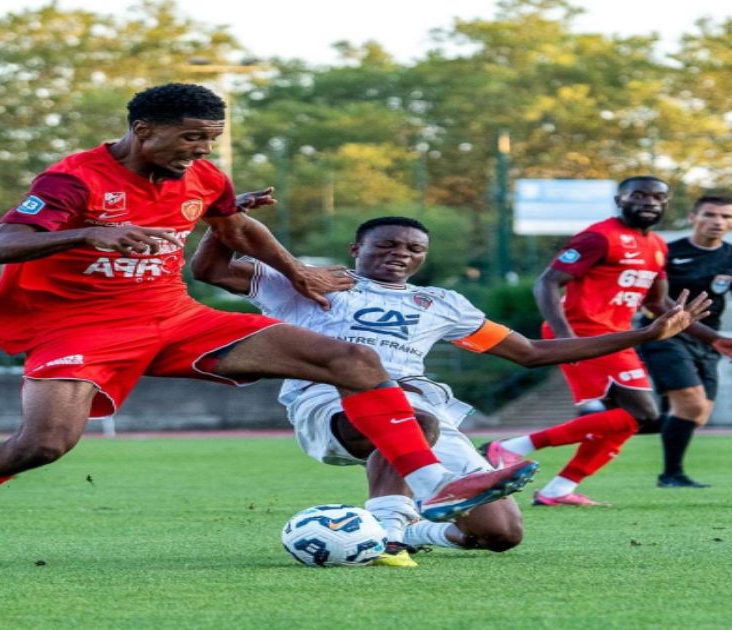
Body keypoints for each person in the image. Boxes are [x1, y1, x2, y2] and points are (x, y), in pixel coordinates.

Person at [0, 83, 537, 569]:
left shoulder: (201, 174)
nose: (198, 150)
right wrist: (93, 233)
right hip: (77, 329)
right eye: (188, 137)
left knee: (352, 360)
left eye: (209, 139)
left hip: (172, 317)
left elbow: (234, 223)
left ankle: (432, 487)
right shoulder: (73, 180)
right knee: (43, 444)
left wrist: (297, 273)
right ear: (142, 130)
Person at [191, 215, 706, 567]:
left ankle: (417, 532)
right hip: (329, 402)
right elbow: (209, 270)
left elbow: (528, 352)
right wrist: (224, 217)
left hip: (425, 408)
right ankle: (389, 535)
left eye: (413, 248)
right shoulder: (311, 281)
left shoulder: (442, 303)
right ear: (357, 249)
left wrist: (644, 334)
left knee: (501, 535)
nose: (401, 254)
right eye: (387, 245)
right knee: (412, 418)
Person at [482, 177, 732, 506]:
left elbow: (658, 304)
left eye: (657, 197)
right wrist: (563, 336)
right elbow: (547, 283)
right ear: (620, 200)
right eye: (638, 195)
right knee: (643, 413)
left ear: (666, 204)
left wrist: (714, 338)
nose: (649, 202)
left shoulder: (657, 245)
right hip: (584, 333)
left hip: (618, 336)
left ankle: (557, 490)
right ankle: (514, 447)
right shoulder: (599, 237)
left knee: (626, 421)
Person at [638, 195, 732, 488]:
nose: (718, 222)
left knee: (698, 413)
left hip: (708, 341)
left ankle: (635, 422)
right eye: (710, 214)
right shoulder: (666, 252)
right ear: (693, 217)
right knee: (690, 404)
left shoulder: (730, 256)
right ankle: (671, 475)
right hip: (665, 336)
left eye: (727, 217)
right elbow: (653, 302)